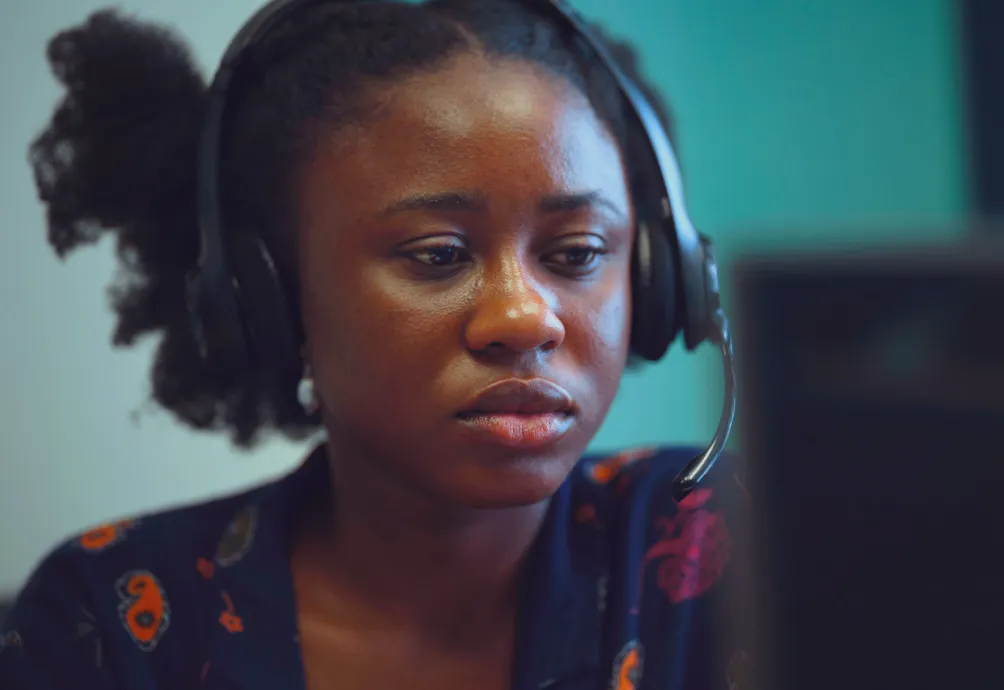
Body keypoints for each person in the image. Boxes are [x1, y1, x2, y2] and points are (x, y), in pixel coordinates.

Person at [0, 1, 752, 688]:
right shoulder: (105, 621)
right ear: (264, 299)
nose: (526, 320)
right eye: (438, 254)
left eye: (579, 253)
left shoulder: (739, 547)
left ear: (657, 283)